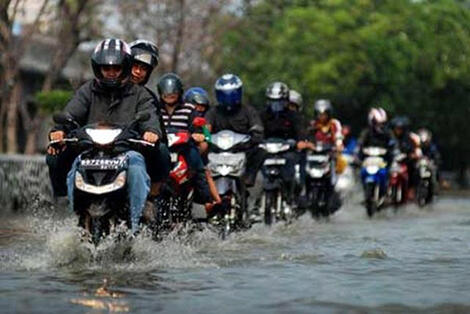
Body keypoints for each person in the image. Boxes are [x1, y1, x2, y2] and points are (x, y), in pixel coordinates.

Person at [46, 38, 163, 233]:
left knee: (136, 167)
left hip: (126, 152)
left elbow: (150, 119)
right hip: (90, 152)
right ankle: (73, 217)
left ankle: (134, 225)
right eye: (105, 68)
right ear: (97, 68)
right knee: (73, 165)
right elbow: (71, 114)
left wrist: (151, 132)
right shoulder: (87, 91)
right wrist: (59, 131)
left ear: (124, 67)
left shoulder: (140, 94)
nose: (111, 72)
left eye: (116, 68)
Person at [156, 73, 211, 204]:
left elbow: (198, 126)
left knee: (196, 160)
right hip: (162, 147)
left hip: (183, 147)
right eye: (166, 95)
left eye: (173, 95)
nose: (169, 98)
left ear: (179, 93)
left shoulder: (189, 109)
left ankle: (204, 196)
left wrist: (198, 134)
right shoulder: (155, 109)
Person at [205, 73, 266, 187]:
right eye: (224, 94)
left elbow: (257, 129)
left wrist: (252, 138)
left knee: (261, 150)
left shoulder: (248, 111)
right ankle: (202, 184)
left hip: (242, 150)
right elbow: (206, 129)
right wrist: (204, 136)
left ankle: (249, 177)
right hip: (217, 151)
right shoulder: (213, 112)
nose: (228, 98)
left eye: (231, 94)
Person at [129, 39, 171, 199]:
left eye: (143, 69)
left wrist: (151, 133)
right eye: (135, 66)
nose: (137, 72)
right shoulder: (105, 87)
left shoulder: (148, 97)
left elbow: (155, 124)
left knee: (161, 150)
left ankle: (151, 198)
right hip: (105, 145)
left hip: (136, 147)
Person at [261, 82, 306, 205]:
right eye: (273, 101)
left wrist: (300, 141)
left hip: (287, 150)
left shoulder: (293, 115)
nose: (276, 105)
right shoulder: (263, 115)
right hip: (267, 150)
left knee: (290, 170)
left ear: (286, 101)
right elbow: (257, 130)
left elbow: (300, 130)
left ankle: (290, 197)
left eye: (279, 101)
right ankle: (257, 201)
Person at [183, 87, 222, 210]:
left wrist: (202, 138)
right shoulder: (181, 118)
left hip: (197, 158)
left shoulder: (205, 123)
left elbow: (207, 139)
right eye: (196, 105)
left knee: (206, 174)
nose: (199, 109)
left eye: (202, 106)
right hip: (178, 156)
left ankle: (213, 203)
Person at [390, 116, 422, 199]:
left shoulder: (411, 138)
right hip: (393, 161)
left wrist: (414, 155)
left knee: (414, 170)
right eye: (397, 128)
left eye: (400, 128)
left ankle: (411, 190)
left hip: (407, 162)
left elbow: (417, 149)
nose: (398, 131)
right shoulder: (389, 137)